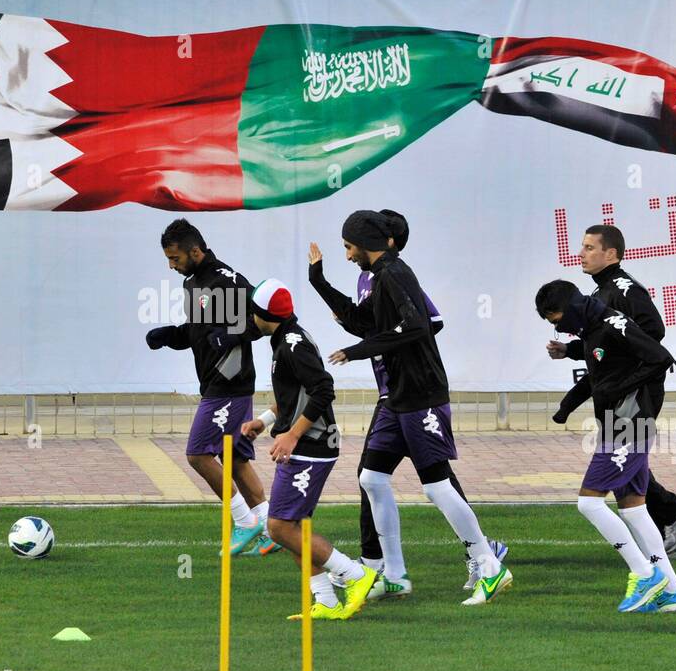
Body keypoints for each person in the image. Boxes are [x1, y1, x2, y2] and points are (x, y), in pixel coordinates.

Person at [308, 209, 506, 598]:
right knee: (371, 478)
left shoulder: (396, 274)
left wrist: (360, 350)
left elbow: (418, 326)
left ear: (369, 245)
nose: (347, 256)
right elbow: (359, 319)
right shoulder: (378, 278)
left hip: (420, 394)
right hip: (395, 397)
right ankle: (394, 576)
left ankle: (488, 563)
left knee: (436, 485)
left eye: (349, 247)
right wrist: (318, 280)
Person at [535, 279, 676, 612]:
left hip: (629, 425)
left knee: (588, 504)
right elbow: (598, 379)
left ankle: (644, 574)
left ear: (572, 308)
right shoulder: (591, 329)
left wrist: (620, 389)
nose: (559, 328)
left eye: (557, 320)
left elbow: (660, 358)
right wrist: (566, 407)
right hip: (617, 426)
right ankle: (674, 591)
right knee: (633, 508)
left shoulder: (612, 324)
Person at [548, 225, 676, 558]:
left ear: (611, 254)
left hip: (636, 390)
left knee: (619, 457)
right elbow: (602, 340)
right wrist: (570, 351)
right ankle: (667, 530)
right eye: (582, 246)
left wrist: (624, 372)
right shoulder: (601, 292)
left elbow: (651, 332)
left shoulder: (625, 289)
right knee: (626, 460)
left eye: (589, 247)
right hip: (617, 388)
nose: (581, 253)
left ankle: (669, 521)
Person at [238, 280, 377, 619]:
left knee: (280, 527)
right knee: (292, 527)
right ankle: (326, 601)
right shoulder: (288, 337)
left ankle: (355, 575)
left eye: (252, 312)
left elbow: (323, 389)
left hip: (310, 447)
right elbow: (295, 393)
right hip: (309, 443)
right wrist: (267, 420)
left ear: (263, 315)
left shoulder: (290, 345)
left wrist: (292, 436)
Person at [149, 219, 276, 557]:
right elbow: (198, 333)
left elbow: (264, 321)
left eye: (175, 258)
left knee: (198, 454)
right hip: (216, 384)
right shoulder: (193, 283)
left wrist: (230, 334)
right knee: (233, 459)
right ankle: (271, 529)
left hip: (229, 384)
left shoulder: (228, 281)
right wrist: (171, 336)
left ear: (195, 251)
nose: (171, 266)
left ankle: (244, 521)